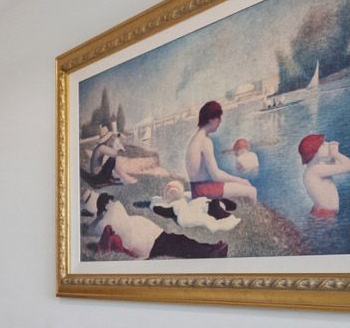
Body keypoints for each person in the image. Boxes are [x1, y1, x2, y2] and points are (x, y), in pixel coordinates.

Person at [93, 194, 229, 260]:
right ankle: (211, 253)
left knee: (181, 240)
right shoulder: (112, 213)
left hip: (155, 237)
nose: (114, 202)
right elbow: (101, 232)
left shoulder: (113, 215)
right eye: (110, 201)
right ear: (106, 205)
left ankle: (211, 249)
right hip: (151, 243)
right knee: (181, 244)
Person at [184, 101, 257, 200]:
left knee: (239, 187)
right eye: (218, 118)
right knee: (252, 191)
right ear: (211, 119)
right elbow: (216, 176)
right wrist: (240, 180)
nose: (220, 121)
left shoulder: (194, 138)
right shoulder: (205, 141)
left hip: (196, 189)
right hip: (204, 190)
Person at [140, 180, 239, 232]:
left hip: (200, 203)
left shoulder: (184, 197)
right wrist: (152, 206)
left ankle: (219, 203)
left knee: (203, 201)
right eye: (169, 193)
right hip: (203, 208)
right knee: (205, 206)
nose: (170, 194)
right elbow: (164, 211)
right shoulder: (174, 205)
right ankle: (217, 206)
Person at [299, 132, 350, 218]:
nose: (328, 144)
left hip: (322, 212)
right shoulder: (316, 170)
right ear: (314, 152)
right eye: (323, 144)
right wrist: (335, 154)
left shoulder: (315, 168)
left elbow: (335, 167)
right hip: (324, 214)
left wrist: (332, 156)